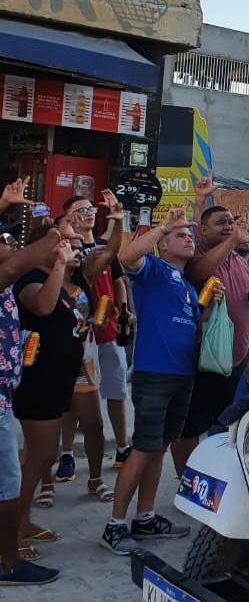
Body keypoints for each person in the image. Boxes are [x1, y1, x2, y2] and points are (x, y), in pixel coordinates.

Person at [100, 204, 223, 555]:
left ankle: (145, 517)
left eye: (189, 235)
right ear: (163, 245)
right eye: (180, 235)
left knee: (160, 447)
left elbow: (192, 324)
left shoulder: (186, 285)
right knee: (142, 448)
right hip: (155, 374)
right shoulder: (153, 268)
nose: (188, 239)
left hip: (182, 375)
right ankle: (114, 525)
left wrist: (210, 306)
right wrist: (162, 227)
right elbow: (126, 257)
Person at [13, 201, 123, 549]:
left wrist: (117, 221)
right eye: (61, 243)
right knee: (39, 457)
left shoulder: (71, 278)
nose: (70, 248)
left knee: (42, 455)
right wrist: (59, 264)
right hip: (39, 381)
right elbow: (43, 306)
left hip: (65, 376)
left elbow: (109, 255)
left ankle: (20, 522)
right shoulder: (29, 280)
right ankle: (11, 532)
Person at [0, 178, 60, 585]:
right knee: (7, 485)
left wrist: (8, 206)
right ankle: (7, 564)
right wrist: (55, 234)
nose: (9, 243)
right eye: (4, 239)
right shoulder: (7, 273)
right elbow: (16, 264)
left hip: (5, 395)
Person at [170, 205, 249, 476]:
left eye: (231, 222)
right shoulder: (196, 255)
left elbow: (246, 299)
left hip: (235, 361)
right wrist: (232, 240)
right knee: (189, 427)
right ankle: (186, 482)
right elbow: (198, 272)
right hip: (200, 360)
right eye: (221, 223)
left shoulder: (241, 262)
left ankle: (216, 479)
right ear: (203, 230)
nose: (228, 226)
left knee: (227, 426)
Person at [56, 194, 131, 479]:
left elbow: (118, 280)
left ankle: (122, 448)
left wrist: (123, 309)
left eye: (90, 208)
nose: (88, 213)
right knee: (73, 398)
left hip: (108, 330)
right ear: (68, 218)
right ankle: (66, 455)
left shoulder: (102, 247)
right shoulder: (67, 248)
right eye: (80, 210)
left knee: (116, 390)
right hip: (77, 337)